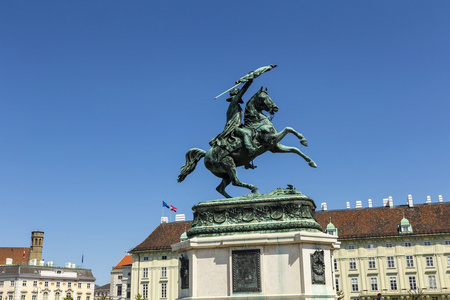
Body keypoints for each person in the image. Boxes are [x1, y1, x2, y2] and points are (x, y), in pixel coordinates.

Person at [210, 79, 257, 155]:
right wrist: (249, 82)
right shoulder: (233, 104)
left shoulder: (237, 106)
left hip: (238, 126)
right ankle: (250, 150)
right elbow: (242, 92)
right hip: (232, 127)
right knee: (245, 133)